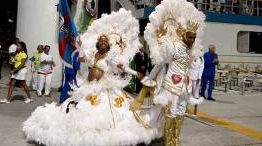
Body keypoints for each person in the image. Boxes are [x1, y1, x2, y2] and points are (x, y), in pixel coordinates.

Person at [22, 8, 163, 146]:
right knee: (79, 109)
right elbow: (83, 58)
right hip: (88, 86)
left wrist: (136, 73)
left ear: (108, 44)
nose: (102, 42)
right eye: (100, 40)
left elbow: (122, 67)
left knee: (105, 113)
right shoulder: (94, 54)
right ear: (98, 42)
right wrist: (77, 44)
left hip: (104, 88)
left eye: (105, 41)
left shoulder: (110, 55)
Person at [138, 0, 205, 146]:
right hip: (171, 86)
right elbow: (161, 63)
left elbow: (189, 68)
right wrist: (150, 79)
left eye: (194, 37)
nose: (192, 39)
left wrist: (191, 85)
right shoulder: (173, 46)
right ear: (183, 34)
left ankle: (175, 139)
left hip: (183, 87)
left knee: (181, 112)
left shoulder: (190, 50)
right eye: (190, 36)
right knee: (171, 113)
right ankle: (168, 142)